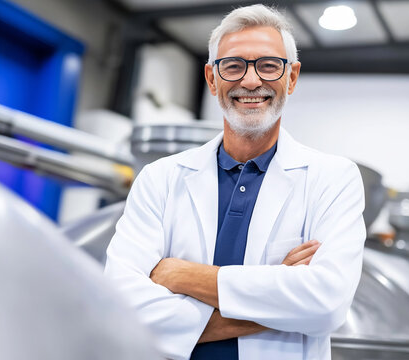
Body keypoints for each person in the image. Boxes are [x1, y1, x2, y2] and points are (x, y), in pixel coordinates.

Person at [104, 4, 365, 360]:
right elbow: (120, 303)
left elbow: (327, 304)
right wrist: (279, 298)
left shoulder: (333, 178)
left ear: (292, 77)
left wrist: (182, 276)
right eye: (233, 65)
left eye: (269, 65)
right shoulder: (160, 178)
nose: (251, 80)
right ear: (212, 79)